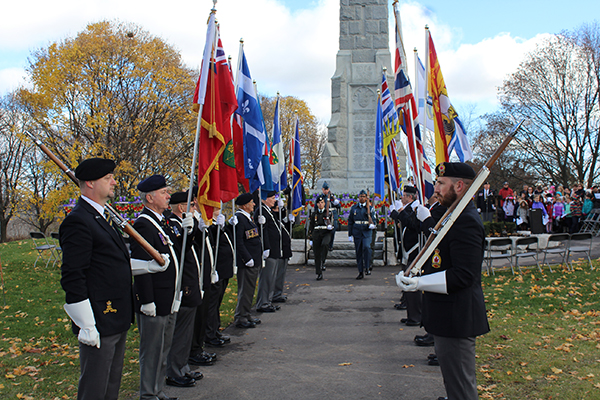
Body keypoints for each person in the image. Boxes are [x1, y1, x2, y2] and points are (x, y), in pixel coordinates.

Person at [397, 162, 490, 400]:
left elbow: (463, 276)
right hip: (445, 315)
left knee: (461, 388)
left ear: (459, 186)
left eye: (440, 183)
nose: (435, 188)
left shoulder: (466, 220)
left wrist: (420, 284)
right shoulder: (452, 215)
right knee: (453, 382)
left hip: (457, 316)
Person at [59, 158, 137, 400]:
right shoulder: (79, 220)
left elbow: (111, 263)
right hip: (100, 316)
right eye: (107, 178)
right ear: (90, 183)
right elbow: (73, 274)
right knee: (95, 385)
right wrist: (86, 323)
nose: (114, 182)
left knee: (111, 382)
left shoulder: (102, 217)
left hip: (117, 314)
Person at [131, 174, 194, 400]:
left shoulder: (162, 221)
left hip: (168, 297)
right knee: (152, 351)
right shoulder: (143, 225)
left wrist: (189, 231)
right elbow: (140, 268)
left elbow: (178, 252)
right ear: (150, 197)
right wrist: (146, 300)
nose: (168, 196)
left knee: (163, 349)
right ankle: (148, 394)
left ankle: (158, 391)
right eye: (164, 192)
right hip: (154, 300)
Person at [165, 191, 203, 388]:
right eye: (193, 205)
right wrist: (189, 230)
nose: (195, 208)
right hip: (183, 284)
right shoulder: (172, 224)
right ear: (182, 208)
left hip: (190, 281)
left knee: (186, 331)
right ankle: (174, 370)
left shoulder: (182, 224)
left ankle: (183, 367)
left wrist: (193, 228)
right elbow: (180, 252)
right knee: (180, 331)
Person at [389, 185, 430, 326]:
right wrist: (395, 212)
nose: (401, 197)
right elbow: (402, 220)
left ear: (410, 197)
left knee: (413, 283)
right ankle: (411, 314)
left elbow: (411, 224)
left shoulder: (417, 208)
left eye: (404, 195)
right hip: (408, 249)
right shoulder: (410, 208)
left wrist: (399, 211)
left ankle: (416, 316)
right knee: (408, 281)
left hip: (415, 249)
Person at [204, 208, 235, 347]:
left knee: (217, 303)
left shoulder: (218, 223)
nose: (219, 208)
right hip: (215, 270)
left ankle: (215, 330)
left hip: (223, 270)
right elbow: (212, 243)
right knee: (212, 304)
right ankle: (209, 334)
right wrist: (217, 228)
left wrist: (228, 227)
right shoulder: (208, 223)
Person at [232, 193, 263, 328]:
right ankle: (241, 317)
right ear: (245, 205)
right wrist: (247, 258)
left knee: (249, 290)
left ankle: (246, 314)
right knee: (245, 290)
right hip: (247, 261)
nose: (254, 204)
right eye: (251, 202)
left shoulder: (247, 218)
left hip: (253, 259)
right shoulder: (239, 218)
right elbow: (238, 242)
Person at [255, 190, 282, 313]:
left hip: (274, 249)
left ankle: (268, 301)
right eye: (272, 198)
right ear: (265, 198)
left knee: (271, 278)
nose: (274, 200)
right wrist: (265, 247)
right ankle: (262, 303)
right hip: (268, 250)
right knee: (266, 278)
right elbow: (261, 231)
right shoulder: (261, 211)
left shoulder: (268, 211)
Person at [348, 189, 376, 279]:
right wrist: (350, 234)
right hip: (357, 232)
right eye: (361, 196)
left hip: (366, 232)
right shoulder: (354, 208)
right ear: (358, 197)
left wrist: (372, 224)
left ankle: (367, 267)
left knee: (367, 247)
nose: (362, 198)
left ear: (366, 198)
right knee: (359, 252)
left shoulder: (370, 209)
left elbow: (375, 220)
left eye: (364, 196)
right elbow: (350, 221)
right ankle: (360, 271)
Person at [308, 195, 334, 280]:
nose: (320, 204)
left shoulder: (329, 213)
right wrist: (311, 238)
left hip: (326, 233)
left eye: (322, 202)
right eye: (319, 202)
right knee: (317, 254)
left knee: (325, 244)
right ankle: (319, 273)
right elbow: (311, 226)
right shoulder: (314, 214)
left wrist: (331, 227)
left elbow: (333, 224)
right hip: (316, 234)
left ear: (324, 203)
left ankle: (323, 261)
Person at [272, 198, 291, 303]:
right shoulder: (272, 217)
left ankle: (278, 293)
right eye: (277, 208)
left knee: (281, 274)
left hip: (284, 249)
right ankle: (274, 294)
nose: (279, 211)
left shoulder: (280, 217)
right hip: (278, 249)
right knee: (276, 274)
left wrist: (284, 210)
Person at [321, 181, 341, 251]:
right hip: (325, 215)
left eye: (327, 189)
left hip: (333, 216)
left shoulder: (333, 196)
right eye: (325, 189)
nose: (326, 191)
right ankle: (325, 244)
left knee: (333, 230)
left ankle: (330, 245)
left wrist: (336, 202)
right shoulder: (321, 197)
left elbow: (338, 206)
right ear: (322, 189)